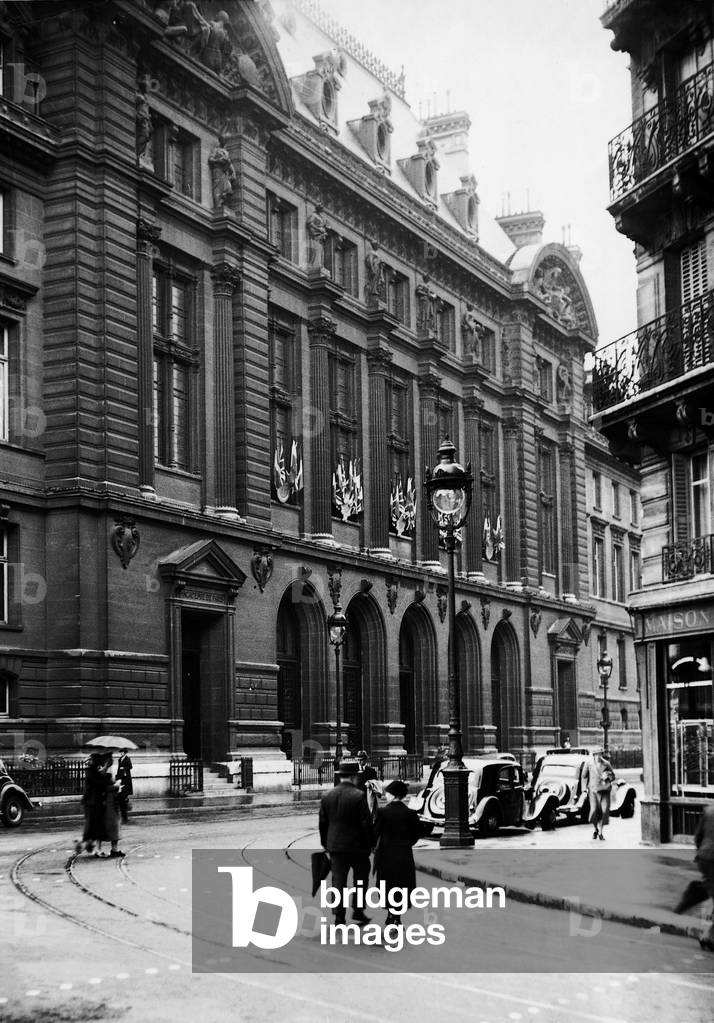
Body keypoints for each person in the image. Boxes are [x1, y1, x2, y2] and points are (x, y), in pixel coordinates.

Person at [318, 760, 373, 925]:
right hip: (358, 847)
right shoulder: (359, 795)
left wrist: (326, 844)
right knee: (361, 880)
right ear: (355, 776)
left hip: (335, 846)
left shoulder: (327, 795)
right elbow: (366, 823)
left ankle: (339, 916)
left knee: (338, 881)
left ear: (340, 776)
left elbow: (323, 823)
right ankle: (357, 910)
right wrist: (371, 843)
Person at [373, 779, 421, 927]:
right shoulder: (411, 813)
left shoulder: (382, 812)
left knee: (388, 885)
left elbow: (374, 833)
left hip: (386, 855)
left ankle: (391, 914)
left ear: (393, 795)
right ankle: (396, 915)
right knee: (401, 885)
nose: (386, 796)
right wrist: (406, 844)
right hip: (404, 855)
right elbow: (416, 835)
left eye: (388, 793)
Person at [75, 753, 124, 858]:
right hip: (93, 803)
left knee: (95, 826)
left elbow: (103, 781)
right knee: (94, 826)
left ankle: (94, 847)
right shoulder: (92, 772)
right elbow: (102, 784)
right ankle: (93, 848)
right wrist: (115, 785)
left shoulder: (95, 771)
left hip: (95, 802)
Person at [582, 747, 614, 841]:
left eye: (600, 754)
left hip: (604, 791)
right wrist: (584, 790)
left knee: (604, 812)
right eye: (596, 754)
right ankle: (595, 829)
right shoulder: (589, 764)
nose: (598, 756)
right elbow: (584, 776)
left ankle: (600, 832)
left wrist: (607, 776)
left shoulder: (606, 764)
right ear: (593, 755)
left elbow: (613, 776)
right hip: (593, 791)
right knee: (594, 811)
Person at [694, 802, 714, 952]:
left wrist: (700, 852)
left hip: (704, 858)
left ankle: (708, 934)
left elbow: (698, 837)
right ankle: (706, 935)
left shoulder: (708, 810)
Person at [356, 750, 382, 823]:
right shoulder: (355, 771)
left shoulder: (371, 771)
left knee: (369, 817)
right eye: (358, 760)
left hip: (368, 797)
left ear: (365, 760)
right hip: (358, 798)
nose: (359, 762)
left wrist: (370, 784)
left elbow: (376, 785)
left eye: (361, 760)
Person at [115, 748, 133, 825]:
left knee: (124, 794)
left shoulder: (128, 759)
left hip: (126, 778)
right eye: (120, 752)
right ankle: (123, 815)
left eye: (122, 752)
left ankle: (125, 816)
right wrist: (117, 777)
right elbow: (118, 768)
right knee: (120, 795)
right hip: (120, 778)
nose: (121, 753)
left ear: (125, 753)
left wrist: (124, 768)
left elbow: (130, 767)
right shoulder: (120, 759)